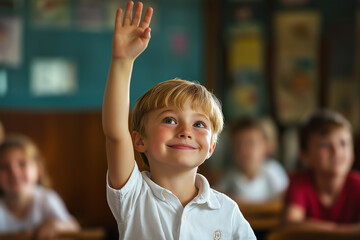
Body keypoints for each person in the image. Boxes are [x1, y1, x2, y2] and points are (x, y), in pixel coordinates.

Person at [102, 1, 256, 239]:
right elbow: (115, 133)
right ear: (139, 140)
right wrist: (123, 61)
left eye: (199, 124)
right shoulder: (132, 194)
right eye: (170, 120)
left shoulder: (227, 212)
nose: (186, 131)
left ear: (211, 147)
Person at [283, 109, 360, 232]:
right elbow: (292, 225)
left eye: (343, 143)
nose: (337, 152)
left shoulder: (357, 184)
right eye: (324, 145)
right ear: (304, 155)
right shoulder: (300, 183)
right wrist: (342, 231)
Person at [0, 135, 80, 239]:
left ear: (38, 169)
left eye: (22, 164)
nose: (14, 172)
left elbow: (74, 227)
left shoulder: (46, 199)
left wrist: (56, 225)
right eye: (4, 167)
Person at [216, 117, 288, 203]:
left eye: (250, 143)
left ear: (266, 147)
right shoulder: (231, 175)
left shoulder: (273, 170)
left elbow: (286, 197)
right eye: (238, 144)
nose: (243, 150)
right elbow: (217, 195)